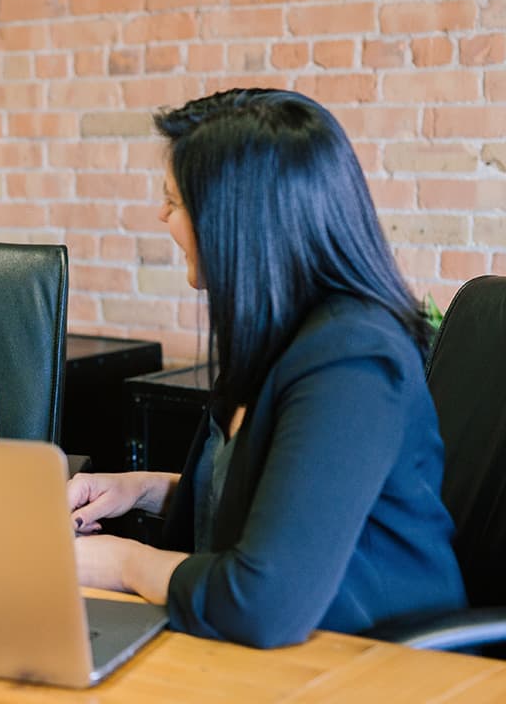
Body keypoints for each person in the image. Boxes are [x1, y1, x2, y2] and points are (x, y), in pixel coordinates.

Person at [68, 88, 467, 648]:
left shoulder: (352, 361)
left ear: (236, 221)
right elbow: (273, 498)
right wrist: (141, 489)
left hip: (376, 659)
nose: (161, 215)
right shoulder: (279, 334)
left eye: (174, 201)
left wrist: (122, 563)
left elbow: (262, 602)